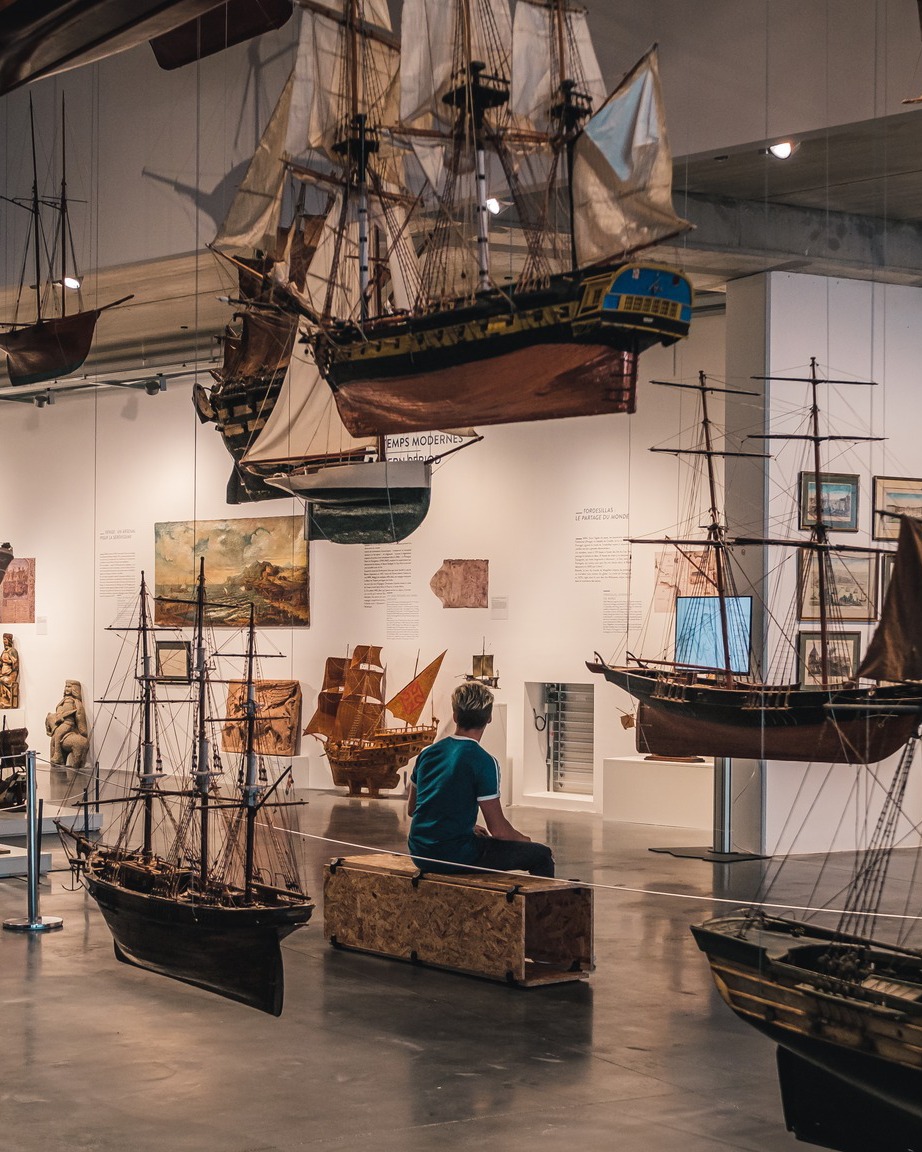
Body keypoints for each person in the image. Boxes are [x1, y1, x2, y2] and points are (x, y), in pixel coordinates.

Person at [407, 681, 555, 877]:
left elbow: (413, 809)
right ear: (489, 718)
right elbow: (499, 830)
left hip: (420, 852)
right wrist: (525, 840)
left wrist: (464, 827)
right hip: (455, 855)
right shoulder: (484, 761)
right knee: (541, 855)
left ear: (455, 716)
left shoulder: (427, 754)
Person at [0, 633, 19, 709]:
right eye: (3, 639)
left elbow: (15, 664)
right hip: (3, 673)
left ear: (9, 640)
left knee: (2, 680)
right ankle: (4, 701)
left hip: (11, 675)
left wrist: (8, 661)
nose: (4, 641)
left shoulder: (13, 651)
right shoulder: (3, 652)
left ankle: (8, 699)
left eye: (5, 639)